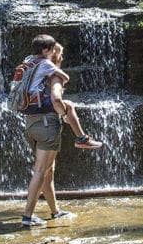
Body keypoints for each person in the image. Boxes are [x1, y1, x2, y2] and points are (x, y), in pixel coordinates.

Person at [19, 35, 102, 228]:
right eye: (61, 54)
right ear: (52, 53)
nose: (63, 58)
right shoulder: (53, 74)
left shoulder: (31, 65)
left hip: (31, 124)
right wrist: (66, 112)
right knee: (41, 170)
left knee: (48, 172)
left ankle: (55, 211)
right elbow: (56, 98)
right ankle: (27, 217)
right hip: (47, 124)